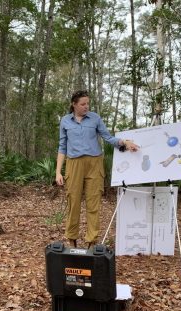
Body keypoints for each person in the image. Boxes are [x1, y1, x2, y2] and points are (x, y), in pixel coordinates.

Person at [55, 90, 139, 248]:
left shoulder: (95, 118)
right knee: (73, 203)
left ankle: (91, 242)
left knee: (93, 203)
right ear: (74, 104)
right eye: (83, 104)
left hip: (94, 163)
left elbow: (108, 137)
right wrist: (58, 171)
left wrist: (124, 142)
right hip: (73, 164)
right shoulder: (65, 121)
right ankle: (71, 239)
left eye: (88, 103)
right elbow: (62, 147)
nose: (86, 106)